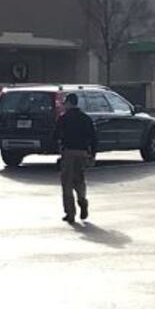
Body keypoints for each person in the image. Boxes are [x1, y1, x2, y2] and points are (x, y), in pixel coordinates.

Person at [55, 93, 97, 225]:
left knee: (67, 183)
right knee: (79, 180)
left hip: (68, 152)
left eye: (64, 103)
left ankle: (70, 213)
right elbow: (94, 138)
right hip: (83, 152)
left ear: (69, 103)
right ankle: (82, 201)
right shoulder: (86, 118)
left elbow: (55, 135)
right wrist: (93, 154)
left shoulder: (63, 118)